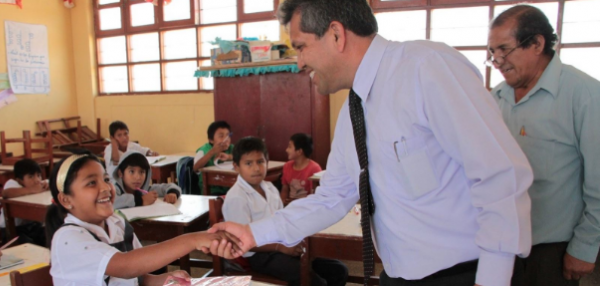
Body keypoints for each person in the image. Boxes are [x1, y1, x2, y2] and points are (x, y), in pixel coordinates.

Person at [206, 1, 534, 286]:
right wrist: (253, 233)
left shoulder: (424, 68)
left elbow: (499, 173)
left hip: (464, 275)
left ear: (336, 34)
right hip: (398, 274)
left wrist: (492, 278)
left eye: (301, 46)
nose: (299, 63)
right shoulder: (354, 111)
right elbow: (332, 198)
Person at [488, 5, 600, 285]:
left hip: (552, 250)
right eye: (492, 53)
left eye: (504, 50)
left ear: (537, 43)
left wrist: (585, 247)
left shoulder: (584, 94)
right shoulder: (495, 98)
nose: (498, 60)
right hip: (502, 244)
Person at [45, 153, 235, 286]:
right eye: (92, 183)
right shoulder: (67, 239)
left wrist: (166, 280)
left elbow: (139, 278)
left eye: (106, 179)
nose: (105, 188)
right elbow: (126, 266)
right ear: (65, 199)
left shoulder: (117, 224)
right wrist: (192, 239)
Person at [223, 137, 348, 286]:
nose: (256, 168)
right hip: (258, 255)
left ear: (267, 162)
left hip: (281, 246)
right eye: (248, 163)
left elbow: (283, 221)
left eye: (260, 162)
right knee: (314, 282)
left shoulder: (269, 188)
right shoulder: (237, 197)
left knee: (339, 270)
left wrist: (294, 240)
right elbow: (242, 241)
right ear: (236, 167)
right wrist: (280, 247)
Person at [0, 158, 48, 246]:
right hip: (12, 228)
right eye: (31, 176)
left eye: (39, 175)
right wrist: (32, 189)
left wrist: (47, 185)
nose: (37, 180)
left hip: (32, 226)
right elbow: (5, 193)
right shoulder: (12, 184)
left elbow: (49, 182)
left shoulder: (39, 185)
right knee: (28, 245)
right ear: (19, 180)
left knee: (49, 237)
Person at [112, 151, 182, 209]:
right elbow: (113, 202)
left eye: (142, 172)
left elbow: (169, 186)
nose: (137, 177)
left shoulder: (144, 190)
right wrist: (141, 200)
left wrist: (172, 192)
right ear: (120, 173)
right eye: (131, 172)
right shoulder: (115, 190)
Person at [193, 120, 234, 195]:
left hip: (230, 188)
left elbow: (243, 157)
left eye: (228, 135)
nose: (226, 139)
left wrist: (229, 157)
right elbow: (196, 168)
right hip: (211, 190)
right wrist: (212, 152)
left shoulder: (232, 148)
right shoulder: (203, 150)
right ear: (211, 140)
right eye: (221, 136)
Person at [280, 133, 322, 205]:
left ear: (299, 151)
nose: (286, 150)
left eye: (289, 147)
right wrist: (281, 203)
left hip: (307, 207)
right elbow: (285, 188)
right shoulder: (287, 166)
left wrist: (296, 203)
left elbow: (316, 196)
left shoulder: (315, 169)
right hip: (290, 206)